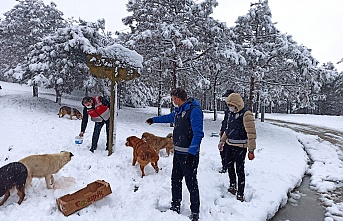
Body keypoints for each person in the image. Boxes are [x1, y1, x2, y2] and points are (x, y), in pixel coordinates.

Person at [146, 88, 204, 221]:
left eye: (173, 99)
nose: (172, 102)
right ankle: (175, 205)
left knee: (191, 183)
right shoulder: (179, 110)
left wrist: (192, 152)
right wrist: (154, 120)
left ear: (177, 99)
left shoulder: (194, 111)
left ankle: (195, 212)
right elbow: (169, 117)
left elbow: (198, 134)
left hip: (189, 155)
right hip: (178, 153)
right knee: (175, 180)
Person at [218, 92, 256, 202]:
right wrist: (222, 141)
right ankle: (232, 185)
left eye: (231, 105)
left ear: (237, 104)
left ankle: (240, 193)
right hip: (229, 145)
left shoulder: (246, 114)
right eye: (228, 105)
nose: (230, 107)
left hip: (240, 146)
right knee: (229, 166)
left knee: (239, 169)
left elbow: (251, 134)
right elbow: (228, 129)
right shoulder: (231, 114)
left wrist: (251, 150)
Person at [218, 89, 234, 173]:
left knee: (229, 151)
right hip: (225, 131)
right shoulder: (227, 107)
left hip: (231, 132)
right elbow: (225, 120)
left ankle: (228, 165)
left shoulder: (235, 108)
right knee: (222, 149)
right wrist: (222, 129)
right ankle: (225, 165)